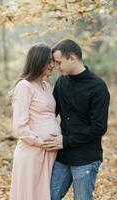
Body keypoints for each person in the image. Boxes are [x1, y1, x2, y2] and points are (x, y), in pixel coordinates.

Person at [43, 39, 110, 200]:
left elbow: (99, 127)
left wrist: (65, 141)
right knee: (48, 196)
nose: (56, 67)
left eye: (59, 62)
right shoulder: (61, 82)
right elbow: (50, 113)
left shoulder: (98, 87)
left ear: (72, 58)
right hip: (63, 157)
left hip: (86, 158)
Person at [9, 43, 61, 200]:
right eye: (48, 61)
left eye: (52, 61)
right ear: (37, 61)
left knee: (43, 195)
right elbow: (19, 126)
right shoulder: (24, 86)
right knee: (30, 195)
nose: (52, 65)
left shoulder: (45, 85)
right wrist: (40, 142)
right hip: (32, 152)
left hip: (49, 152)